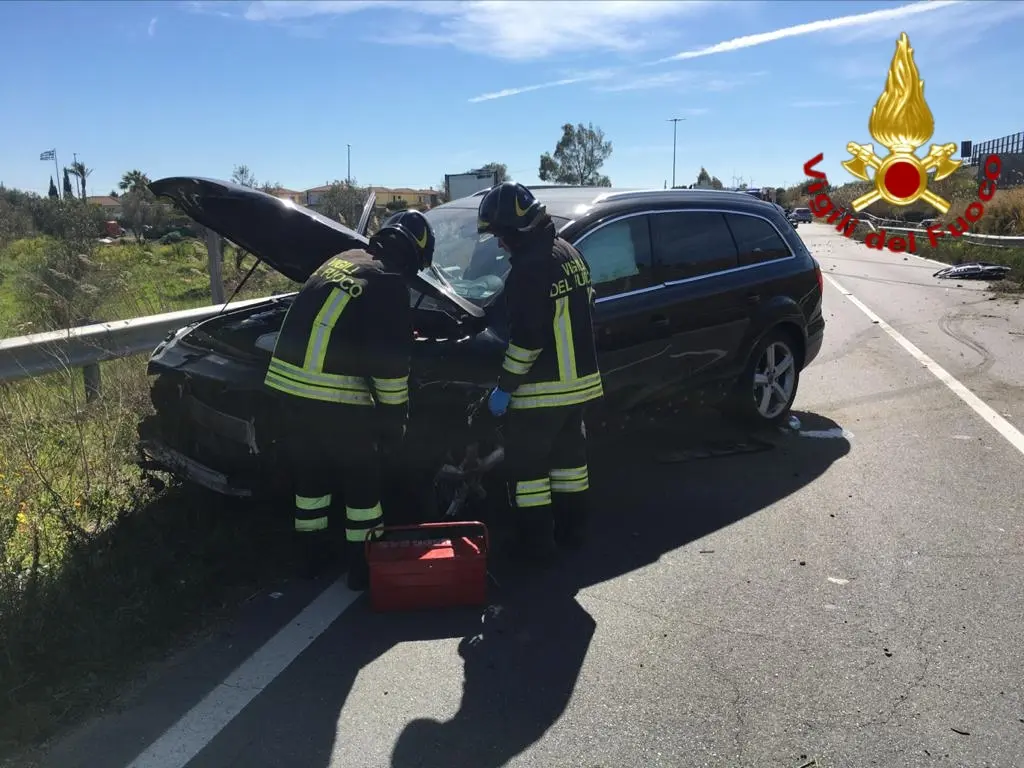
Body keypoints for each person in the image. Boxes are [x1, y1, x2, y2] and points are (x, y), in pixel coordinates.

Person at [263, 209, 435, 589]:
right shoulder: (389, 282)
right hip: (335, 399)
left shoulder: (340, 261)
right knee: (363, 488)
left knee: (311, 481)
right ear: (411, 256)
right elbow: (388, 369)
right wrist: (395, 422)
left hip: (288, 391)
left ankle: (311, 560)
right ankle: (363, 568)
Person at [476, 182, 604, 562]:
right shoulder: (569, 253)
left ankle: (534, 547)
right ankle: (572, 533)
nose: (499, 244)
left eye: (500, 235)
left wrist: (503, 390)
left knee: (528, 473)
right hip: (577, 387)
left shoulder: (528, 271)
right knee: (570, 466)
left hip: (541, 392)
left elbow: (527, 342)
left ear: (517, 231)